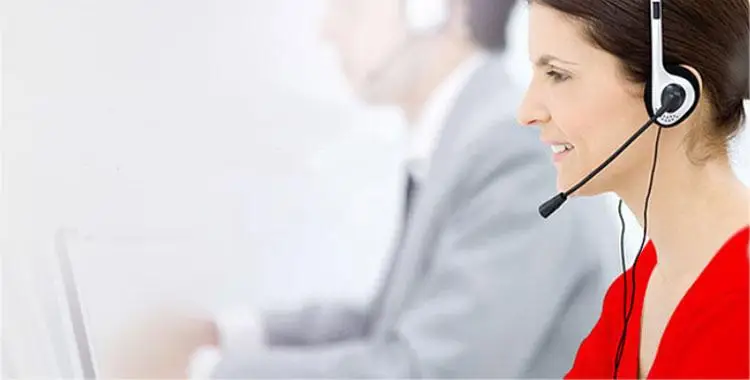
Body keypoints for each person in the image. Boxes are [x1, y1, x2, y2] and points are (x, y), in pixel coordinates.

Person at [112, 0, 621, 378]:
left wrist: (203, 370)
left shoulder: (516, 157)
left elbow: (427, 371)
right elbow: (388, 325)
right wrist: (224, 333)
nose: (328, 29)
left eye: (351, 7)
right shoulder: (468, 139)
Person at [517, 0, 749, 378]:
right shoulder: (633, 294)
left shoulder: (740, 301)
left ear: (669, 95)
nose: (526, 112)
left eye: (558, 74)